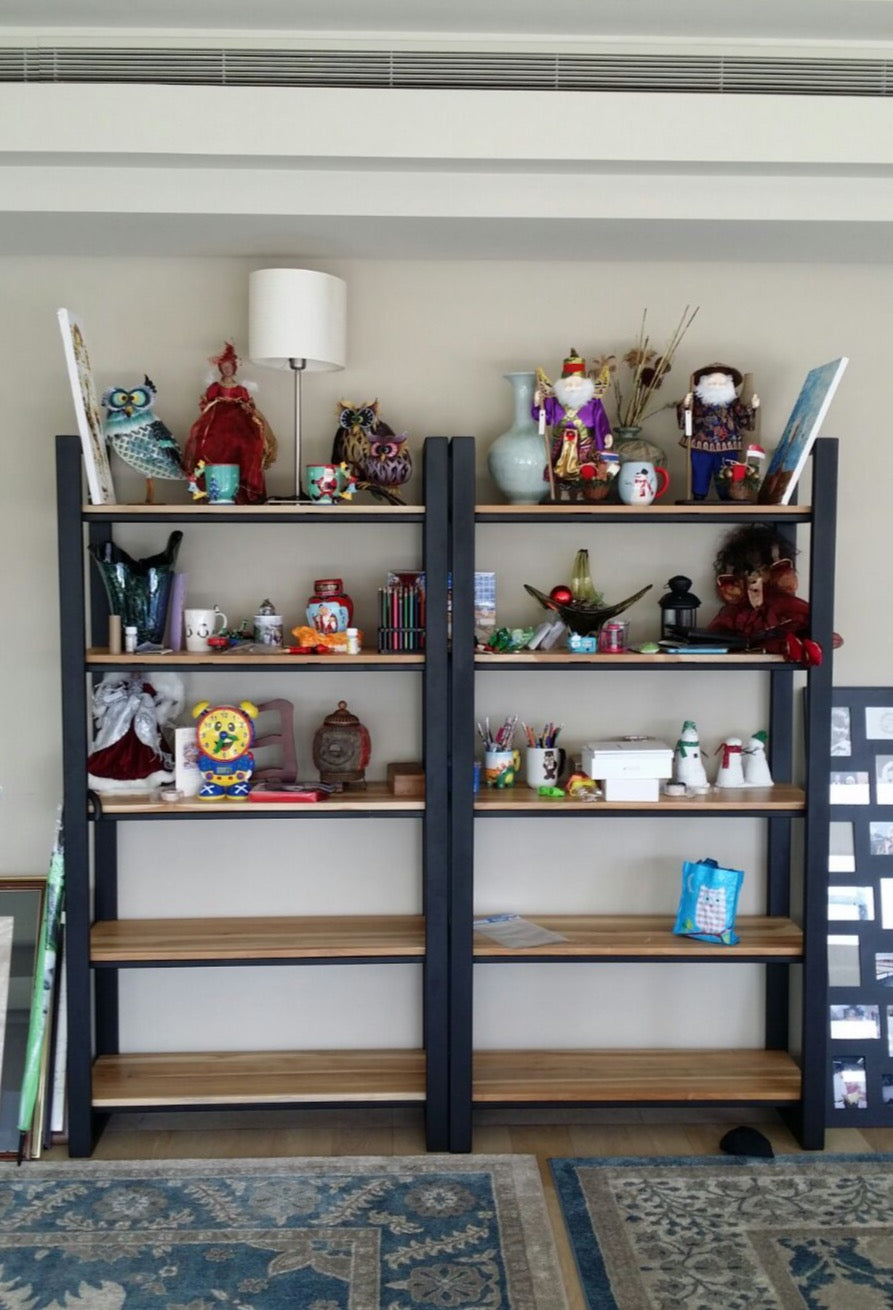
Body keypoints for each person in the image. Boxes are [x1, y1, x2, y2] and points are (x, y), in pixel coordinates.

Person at [184, 341, 277, 504]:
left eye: (230, 366)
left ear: (234, 368)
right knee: (212, 445)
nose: (227, 369)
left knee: (246, 444)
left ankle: (242, 490)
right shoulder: (215, 387)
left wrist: (248, 410)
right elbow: (208, 403)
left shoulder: (241, 389)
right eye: (224, 367)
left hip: (239, 421)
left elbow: (249, 404)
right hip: (218, 419)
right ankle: (214, 489)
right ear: (221, 369)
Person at [533, 349, 613, 497]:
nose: (573, 388)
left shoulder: (593, 402)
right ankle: (563, 494)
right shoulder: (554, 401)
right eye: (569, 385)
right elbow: (545, 419)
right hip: (561, 443)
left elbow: (601, 420)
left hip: (585, 444)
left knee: (585, 469)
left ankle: (583, 493)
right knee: (561, 469)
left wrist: (606, 435)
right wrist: (538, 403)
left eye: (577, 385)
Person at [677, 363, 759, 500]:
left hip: (728, 445)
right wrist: (684, 405)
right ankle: (698, 497)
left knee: (727, 473)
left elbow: (743, 418)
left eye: (722, 383)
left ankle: (727, 497)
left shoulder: (733, 401)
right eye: (712, 383)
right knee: (699, 473)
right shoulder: (696, 400)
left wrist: (752, 407)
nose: (717, 386)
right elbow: (685, 419)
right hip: (700, 444)